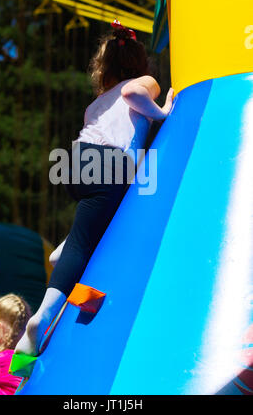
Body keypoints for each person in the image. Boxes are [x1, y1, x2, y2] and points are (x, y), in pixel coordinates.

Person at [15, 19, 174, 357]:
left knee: (98, 221)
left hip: (74, 162)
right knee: (90, 241)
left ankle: (67, 245)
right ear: (139, 62)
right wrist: (160, 113)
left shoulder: (99, 101)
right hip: (109, 163)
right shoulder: (142, 82)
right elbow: (135, 95)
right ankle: (42, 318)